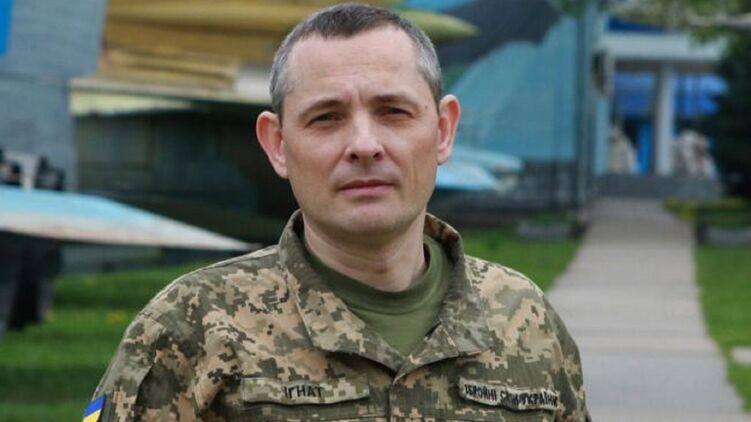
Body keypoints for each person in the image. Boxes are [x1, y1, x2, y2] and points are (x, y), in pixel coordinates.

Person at [86, 4, 589, 421]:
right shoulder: (191, 327)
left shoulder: (525, 320)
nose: (364, 145)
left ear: (443, 130)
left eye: (393, 112)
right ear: (277, 144)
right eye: (327, 118)